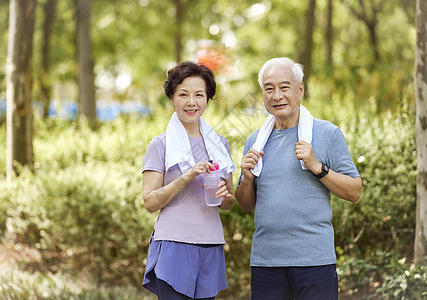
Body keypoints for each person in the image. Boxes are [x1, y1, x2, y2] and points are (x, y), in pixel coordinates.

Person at [235, 57, 362, 300]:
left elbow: (354, 191)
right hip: (266, 261)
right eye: (269, 89)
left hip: (314, 260)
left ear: (300, 89)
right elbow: (246, 204)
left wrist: (317, 167)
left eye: (284, 87)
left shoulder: (326, 133)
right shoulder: (255, 141)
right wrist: (247, 179)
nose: (277, 95)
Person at [142, 61, 236, 300]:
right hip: (174, 245)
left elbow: (228, 202)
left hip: (210, 244)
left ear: (207, 99)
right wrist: (187, 176)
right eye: (183, 94)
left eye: (199, 95)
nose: (191, 102)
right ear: (172, 98)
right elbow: (150, 202)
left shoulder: (220, 144)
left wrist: (225, 196)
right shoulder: (160, 145)